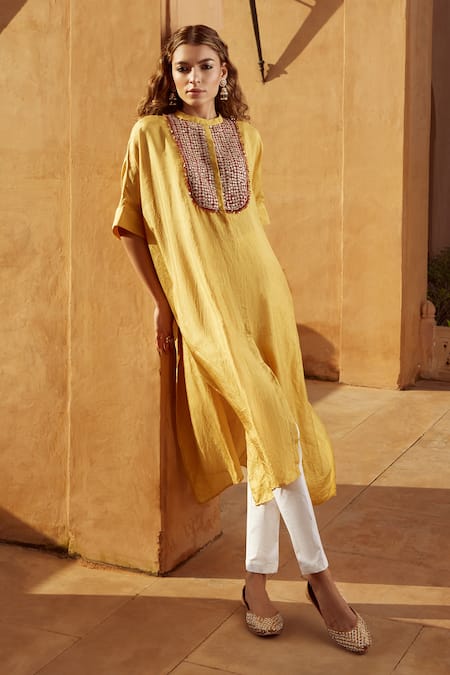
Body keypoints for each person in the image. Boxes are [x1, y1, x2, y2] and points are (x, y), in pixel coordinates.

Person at [112, 24, 372, 654]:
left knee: (271, 430)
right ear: (169, 74)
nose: (193, 78)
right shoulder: (150, 135)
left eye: (205, 66)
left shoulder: (247, 138)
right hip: (206, 305)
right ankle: (321, 580)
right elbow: (131, 226)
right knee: (274, 424)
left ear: (224, 72)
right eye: (182, 68)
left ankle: (256, 581)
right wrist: (164, 307)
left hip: (263, 296)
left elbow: (252, 222)